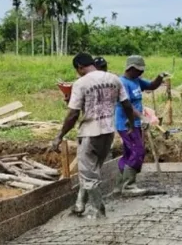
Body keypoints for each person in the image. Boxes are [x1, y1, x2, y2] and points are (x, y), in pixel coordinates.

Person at [51, 53, 141, 218]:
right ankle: (79, 205)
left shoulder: (81, 83)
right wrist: (130, 122)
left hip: (89, 134)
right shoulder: (114, 79)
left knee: (88, 175)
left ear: (80, 67)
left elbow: (73, 115)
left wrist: (59, 135)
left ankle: (100, 213)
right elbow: (127, 105)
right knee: (91, 171)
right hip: (108, 133)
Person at [114, 55, 166, 195]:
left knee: (129, 153)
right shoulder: (122, 83)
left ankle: (120, 185)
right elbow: (127, 105)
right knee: (138, 152)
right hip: (126, 124)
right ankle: (129, 186)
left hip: (134, 123)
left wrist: (160, 77)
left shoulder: (136, 80)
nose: (141, 72)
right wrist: (142, 117)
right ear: (130, 68)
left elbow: (151, 86)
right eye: (139, 70)